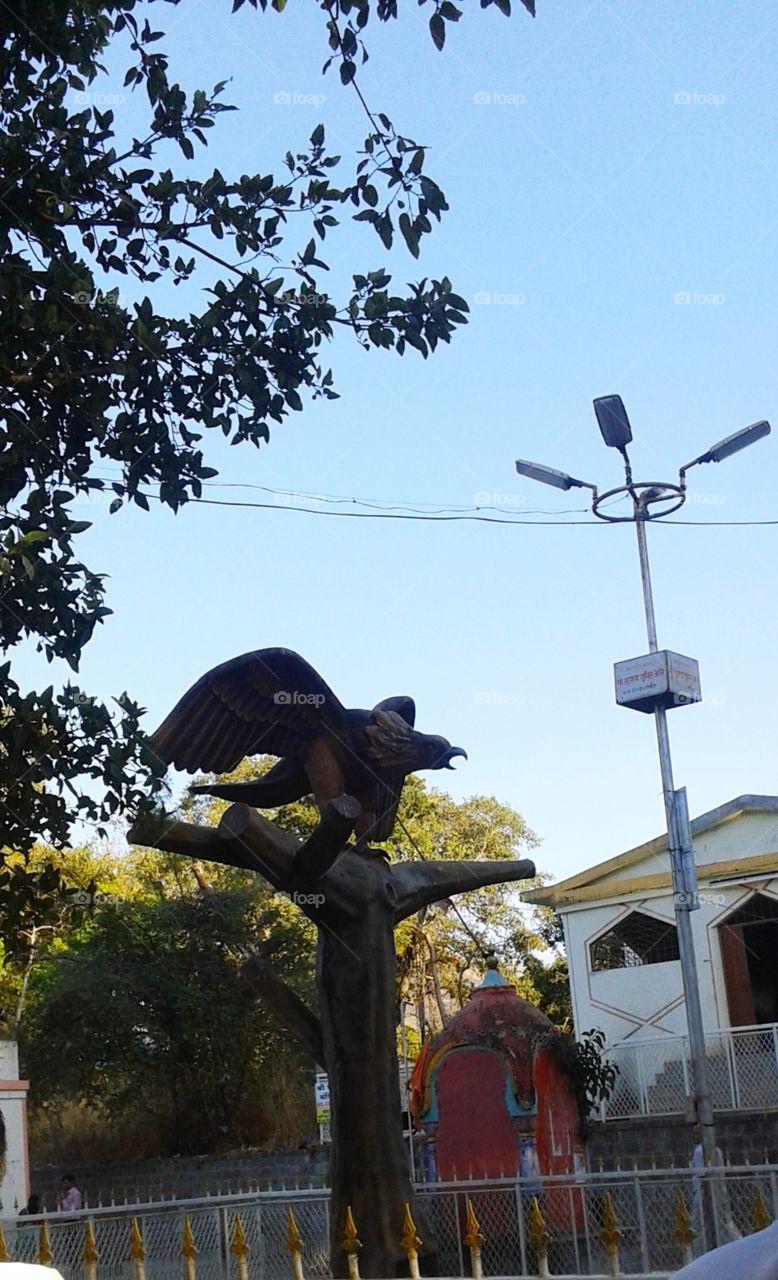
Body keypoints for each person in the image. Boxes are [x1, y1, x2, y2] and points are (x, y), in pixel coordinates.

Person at [690, 1125, 739, 1255]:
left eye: (695, 1134)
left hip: (703, 1195)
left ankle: (701, 1254)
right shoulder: (717, 1150)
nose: (692, 1136)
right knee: (724, 1224)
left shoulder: (699, 1152)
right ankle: (735, 1245)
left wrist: (704, 1197)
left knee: (699, 1228)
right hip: (720, 1192)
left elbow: (703, 1177)